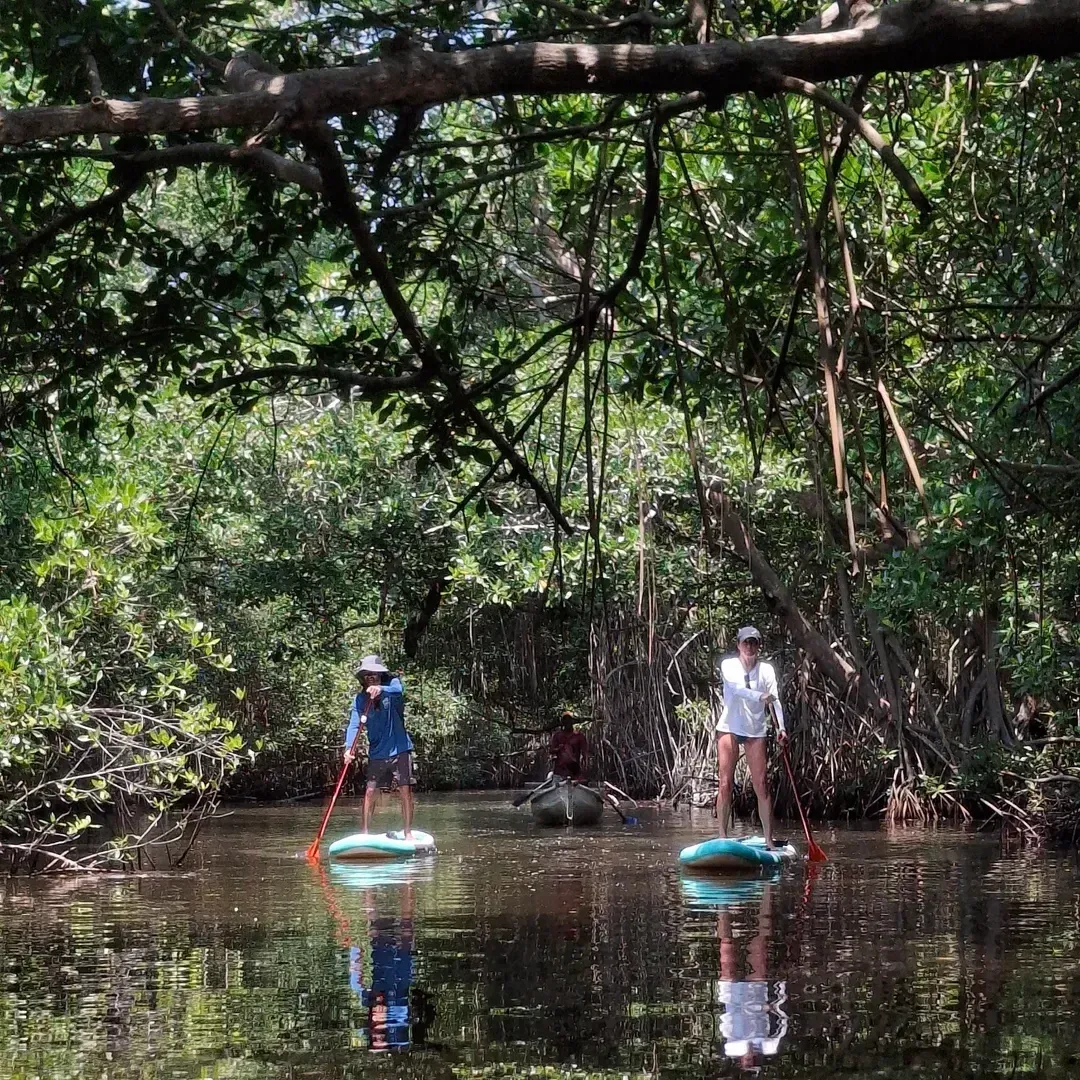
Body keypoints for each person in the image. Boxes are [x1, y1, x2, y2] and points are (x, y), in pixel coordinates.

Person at [713, 626, 787, 848]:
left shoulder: (766, 670)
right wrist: (759, 695)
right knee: (725, 782)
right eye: (746, 643)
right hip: (729, 726)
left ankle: (768, 841)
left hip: (755, 730)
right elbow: (736, 689)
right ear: (739, 645)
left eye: (754, 643)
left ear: (759, 646)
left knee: (762, 784)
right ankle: (722, 837)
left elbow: (774, 700)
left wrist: (782, 728)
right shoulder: (729, 665)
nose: (750, 646)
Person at [716, 881, 789, 1069]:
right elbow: (782, 1019)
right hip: (757, 999)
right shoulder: (768, 1044)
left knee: (726, 946)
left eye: (747, 1062)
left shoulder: (732, 1047)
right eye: (753, 1061)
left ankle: (722, 902)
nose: (749, 1059)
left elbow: (724, 1021)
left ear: (742, 1061)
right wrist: (780, 993)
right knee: (760, 945)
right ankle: (765, 891)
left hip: (731, 997)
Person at [344, 655, 415, 838]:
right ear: (363, 678)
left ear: (380, 675)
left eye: (374, 674)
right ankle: (365, 833)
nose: (371, 677)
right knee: (369, 791)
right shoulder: (360, 700)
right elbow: (354, 725)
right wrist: (348, 749)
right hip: (377, 752)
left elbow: (398, 691)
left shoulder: (392, 687)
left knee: (404, 789)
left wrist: (381, 688)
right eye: (367, 675)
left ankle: (408, 833)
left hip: (400, 749)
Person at [549, 712, 588, 779]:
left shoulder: (579, 736)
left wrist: (584, 769)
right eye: (565, 720)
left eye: (569, 720)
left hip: (574, 770)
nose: (567, 723)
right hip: (560, 770)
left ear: (572, 721)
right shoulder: (557, 735)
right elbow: (551, 750)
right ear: (562, 723)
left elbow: (585, 753)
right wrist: (559, 748)